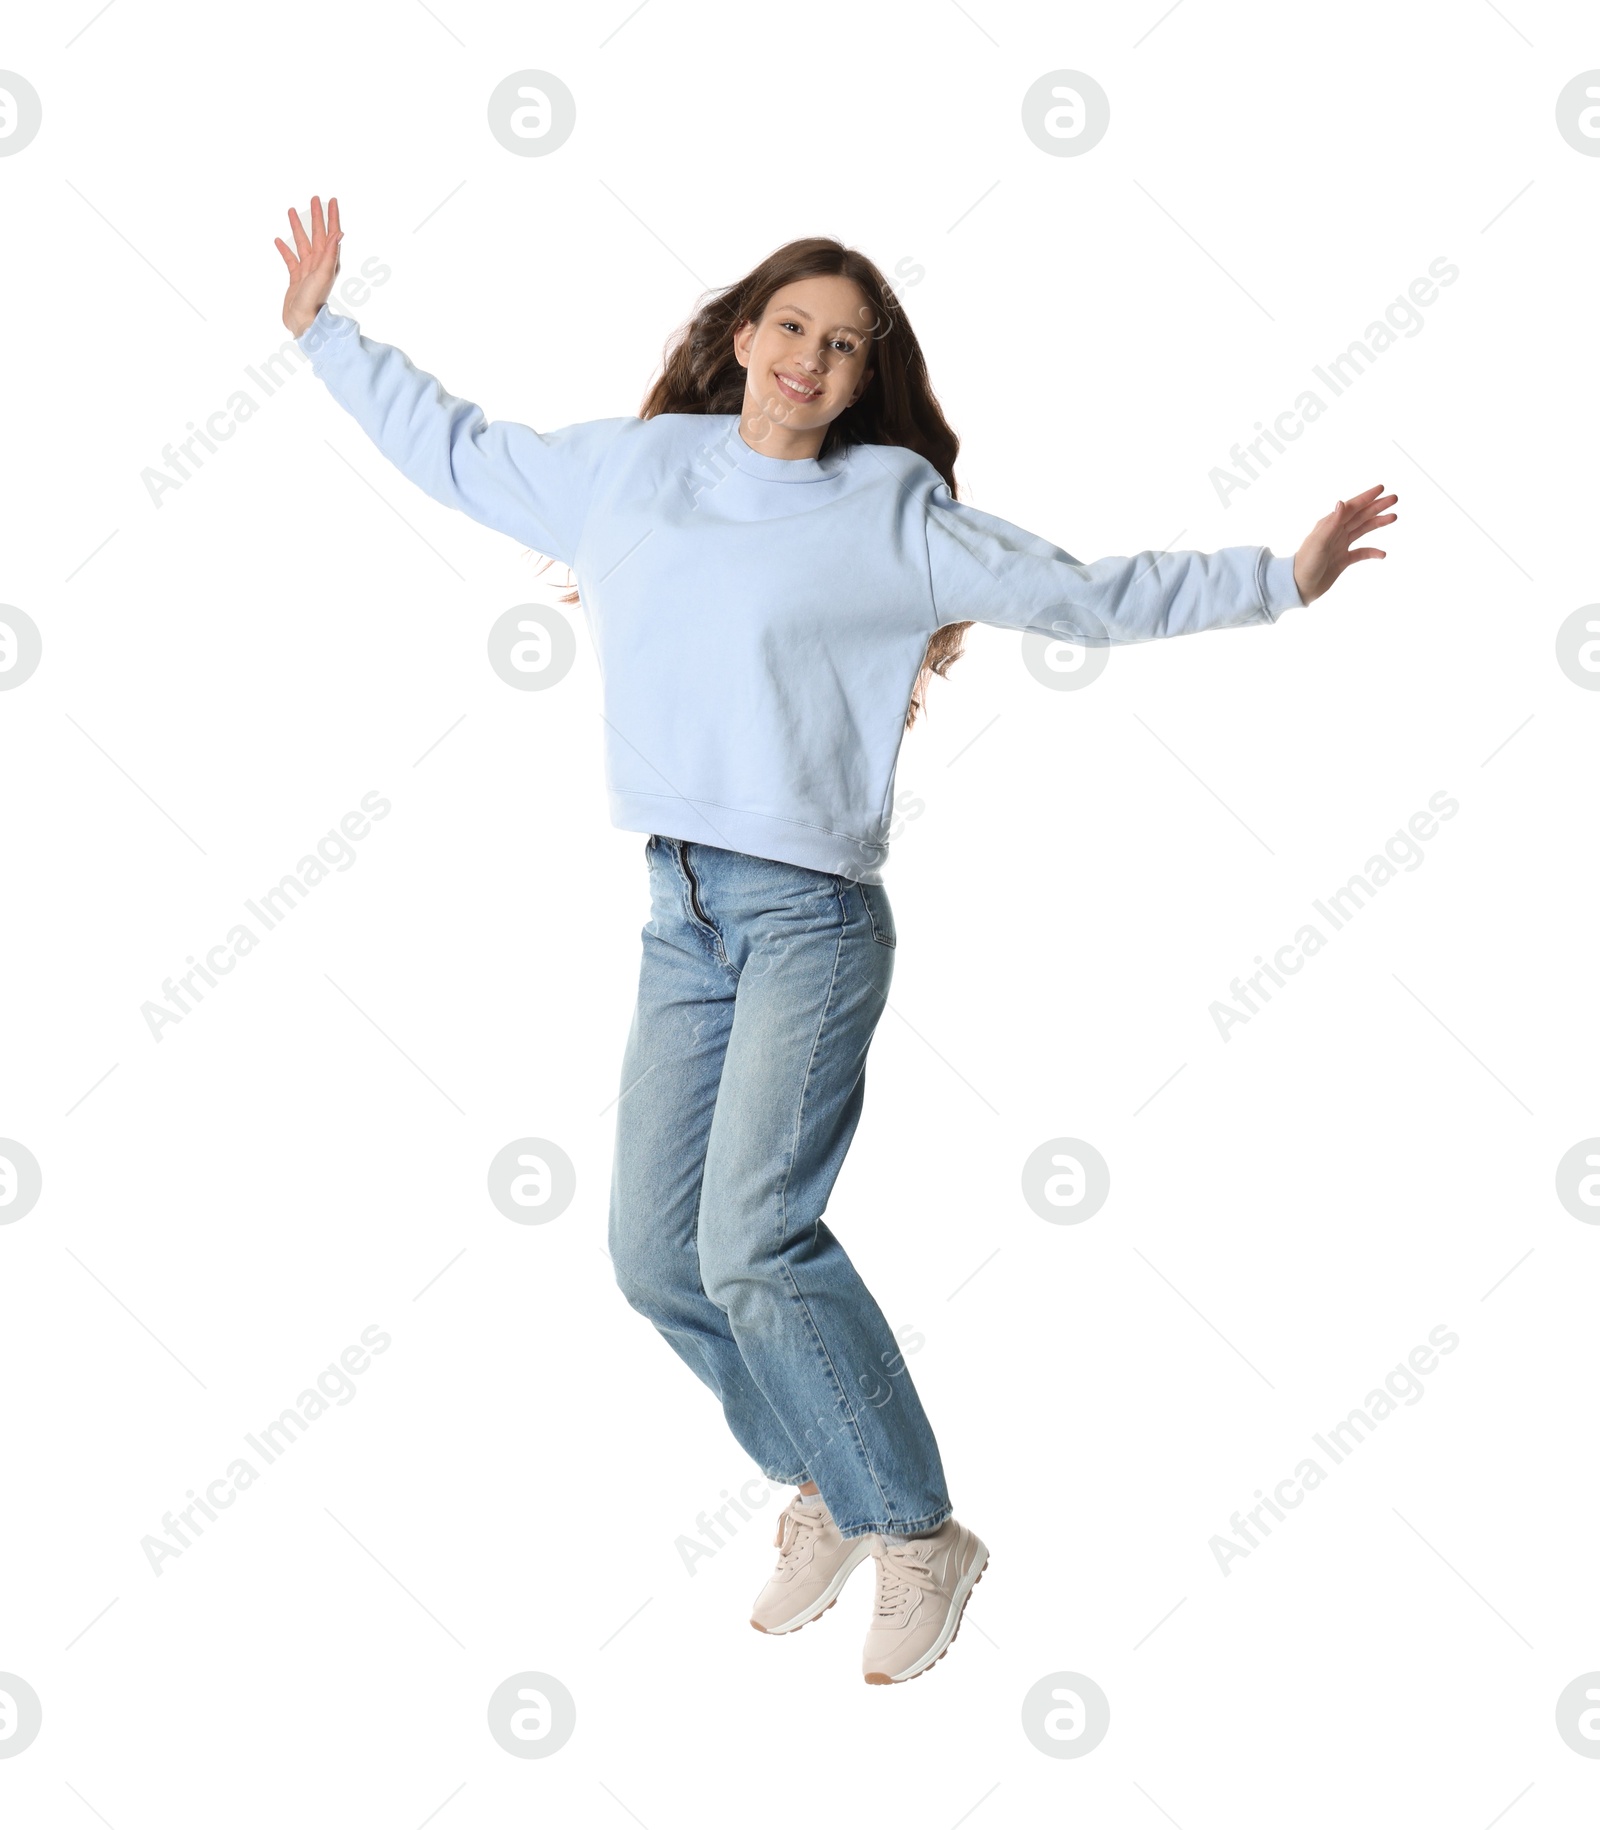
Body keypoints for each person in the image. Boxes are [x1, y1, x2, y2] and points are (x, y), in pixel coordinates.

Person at [275, 195, 1397, 1686]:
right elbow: (461, 447)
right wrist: (322, 335)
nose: (810, 358)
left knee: (755, 1239)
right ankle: (823, 1478)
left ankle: (919, 1528)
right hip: (679, 912)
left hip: (810, 918)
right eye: (791, 327)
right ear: (742, 338)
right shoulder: (631, 472)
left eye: (844, 346)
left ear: (866, 381)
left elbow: (1082, 589)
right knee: (651, 1255)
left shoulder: (891, 517)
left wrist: (1281, 577)